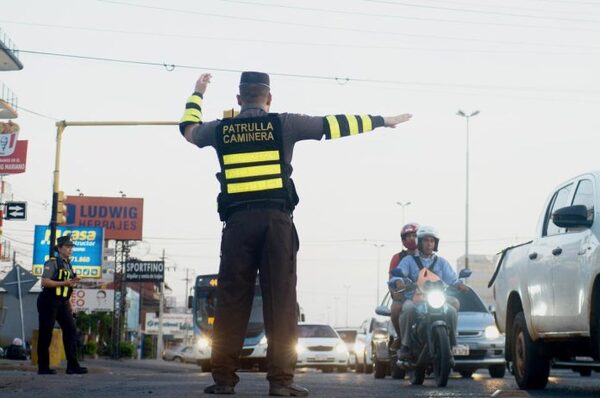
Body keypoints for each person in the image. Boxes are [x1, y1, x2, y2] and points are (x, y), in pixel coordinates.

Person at [179, 71, 412, 396]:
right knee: (282, 302)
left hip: (237, 226)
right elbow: (332, 125)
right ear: (269, 98)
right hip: (276, 224)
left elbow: (188, 131)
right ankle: (281, 383)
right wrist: (381, 120)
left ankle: (223, 381)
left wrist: (197, 92)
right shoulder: (283, 123)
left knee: (231, 302)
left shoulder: (221, 129)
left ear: (238, 99)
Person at [391, 226, 466, 360]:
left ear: (435, 243)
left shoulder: (441, 262)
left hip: (436, 298)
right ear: (419, 242)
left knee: (453, 308)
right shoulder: (409, 260)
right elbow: (398, 274)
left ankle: (453, 344)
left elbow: (452, 279)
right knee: (407, 309)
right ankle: (405, 345)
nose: (429, 244)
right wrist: (398, 281)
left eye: (432, 241)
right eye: (425, 240)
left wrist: (460, 284)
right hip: (416, 298)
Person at [37, 234, 88, 375]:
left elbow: (68, 288)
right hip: (48, 300)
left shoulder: (68, 264)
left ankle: (72, 366)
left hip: (63, 302)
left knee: (71, 330)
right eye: (67, 246)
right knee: (46, 333)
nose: (70, 249)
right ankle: (43, 367)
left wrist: (70, 306)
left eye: (71, 247)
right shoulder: (52, 262)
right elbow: (45, 282)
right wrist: (65, 282)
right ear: (59, 248)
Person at [387, 223, 419, 351]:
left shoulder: (427, 256)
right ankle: (401, 338)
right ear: (403, 240)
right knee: (395, 309)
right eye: (408, 236)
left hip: (424, 294)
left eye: (414, 235)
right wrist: (396, 293)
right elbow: (392, 279)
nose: (411, 239)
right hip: (404, 295)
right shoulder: (397, 258)